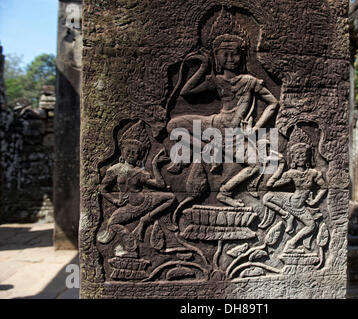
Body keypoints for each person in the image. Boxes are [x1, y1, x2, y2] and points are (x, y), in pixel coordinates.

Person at [167, 9, 279, 207]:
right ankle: (209, 151)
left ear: (242, 57)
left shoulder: (249, 81)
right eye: (224, 54)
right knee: (173, 127)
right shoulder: (216, 81)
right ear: (216, 57)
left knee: (255, 165)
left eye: (235, 54)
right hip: (214, 124)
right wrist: (203, 67)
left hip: (235, 135)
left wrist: (255, 129)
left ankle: (225, 192)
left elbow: (273, 103)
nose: (230, 59)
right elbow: (186, 92)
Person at [97, 120, 175, 253]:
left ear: (140, 155)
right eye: (129, 151)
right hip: (129, 206)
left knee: (171, 197)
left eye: (135, 152)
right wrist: (115, 200)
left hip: (145, 201)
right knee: (112, 223)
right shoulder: (115, 169)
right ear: (122, 151)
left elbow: (160, 185)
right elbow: (102, 189)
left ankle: (145, 219)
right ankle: (129, 240)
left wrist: (155, 165)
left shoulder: (140, 172)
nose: (131, 154)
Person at [262, 133, 327, 252]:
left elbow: (324, 187)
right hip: (289, 199)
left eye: (303, 154)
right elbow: (270, 185)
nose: (300, 157)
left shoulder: (313, 173)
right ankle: (287, 216)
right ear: (293, 158)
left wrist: (314, 201)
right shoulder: (291, 173)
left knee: (311, 226)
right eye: (297, 155)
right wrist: (281, 165)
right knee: (266, 198)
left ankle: (292, 243)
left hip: (299, 206)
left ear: (308, 157)